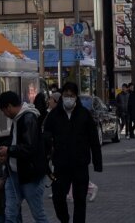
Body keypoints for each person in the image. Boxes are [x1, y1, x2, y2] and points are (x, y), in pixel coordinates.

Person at [45, 82, 103, 223]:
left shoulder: (84, 114)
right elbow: (45, 138)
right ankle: (64, 219)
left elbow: (94, 140)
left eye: (72, 95)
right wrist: (45, 161)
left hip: (80, 165)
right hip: (61, 166)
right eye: (66, 95)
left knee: (80, 200)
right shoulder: (54, 115)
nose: (69, 98)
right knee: (58, 197)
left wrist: (97, 163)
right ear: (62, 96)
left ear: (76, 97)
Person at [0, 89, 50, 223]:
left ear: (9, 107)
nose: (4, 114)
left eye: (3, 110)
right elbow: (14, 141)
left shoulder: (28, 118)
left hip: (30, 175)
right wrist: (4, 149)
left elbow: (29, 147)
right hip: (14, 173)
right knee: (10, 213)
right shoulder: (17, 119)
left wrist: (9, 150)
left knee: (38, 213)